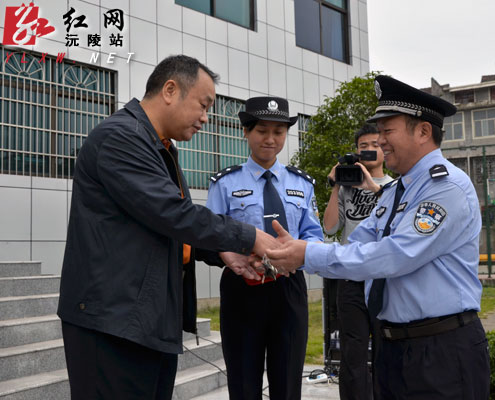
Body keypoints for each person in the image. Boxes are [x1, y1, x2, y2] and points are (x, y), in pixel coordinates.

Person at [57, 55, 281, 400]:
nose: (206, 118)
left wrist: (224, 254)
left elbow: (163, 225)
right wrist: (250, 237)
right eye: (203, 105)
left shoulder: (159, 147)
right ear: (170, 90)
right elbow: (172, 213)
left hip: (144, 320)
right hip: (112, 323)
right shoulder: (122, 138)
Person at [265, 75, 491, 400]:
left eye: (387, 131)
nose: (380, 142)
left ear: (423, 131)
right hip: (393, 349)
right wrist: (299, 251)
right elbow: (357, 245)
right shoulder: (396, 192)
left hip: (440, 351)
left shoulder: (446, 188)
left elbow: (393, 256)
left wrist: (306, 255)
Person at [205, 96, 324, 400]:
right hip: (243, 288)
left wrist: (298, 253)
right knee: (244, 381)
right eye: (262, 131)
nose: (270, 139)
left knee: (287, 382)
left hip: (289, 288)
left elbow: (314, 235)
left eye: (279, 132)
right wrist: (234, 255)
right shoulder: (225, 183)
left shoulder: (302, 183)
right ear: (246, 131)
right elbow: (211, 236)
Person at [322, 123, 392, 400]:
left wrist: (372, 186)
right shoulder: (346, 187)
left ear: (384, 150)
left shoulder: (394, 186)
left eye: (376, 145)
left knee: (387, 346)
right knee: (353, 350)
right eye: (364, 146)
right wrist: (336, 185)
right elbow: (329, 228)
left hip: (384, 278)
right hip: (351, 278)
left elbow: (395, 222)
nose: (370, 150)